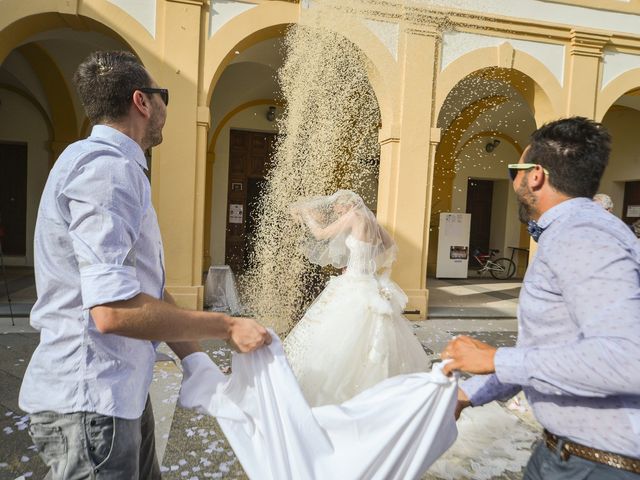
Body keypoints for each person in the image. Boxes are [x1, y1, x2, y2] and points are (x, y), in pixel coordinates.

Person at [19, 51, 270, 479]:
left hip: (119, 393)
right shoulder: (107, 172)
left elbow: (140, 287)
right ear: (143, 101)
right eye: (164, 96)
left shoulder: (115, 167)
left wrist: (194, 360)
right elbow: (112, 311)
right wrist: (225, 327)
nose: (166, 108)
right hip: (91, 403)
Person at [442, 117, 640, 479]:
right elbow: (552, 349)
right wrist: (470, 394)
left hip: (600, 464)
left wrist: (496, 358)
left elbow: (628, 359)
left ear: (534, 176)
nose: (513, 180)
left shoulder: (582, 235)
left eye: (513, 169)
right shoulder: (572, 231)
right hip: (565, 453)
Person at [283, 189, 429, 406]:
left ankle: (335, 380)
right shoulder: (371, 220)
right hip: (367, 280)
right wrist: (368, 264)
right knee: (367, 331)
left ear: (347, 205)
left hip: (353, 282)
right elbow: (389, 245)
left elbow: (321, 234)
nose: (336, 210)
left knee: (337, 329)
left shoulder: (353, 217)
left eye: (338, 207)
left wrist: (306, 214)